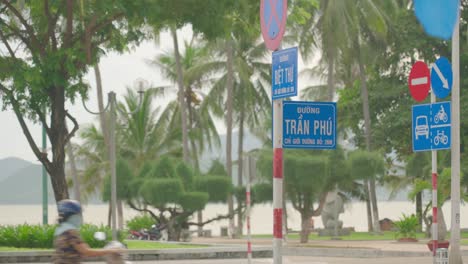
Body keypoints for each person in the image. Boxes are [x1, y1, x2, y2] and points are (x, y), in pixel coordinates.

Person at [53, 199, 122, 264]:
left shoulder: (60, 230)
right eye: (78, 214)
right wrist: (110, 250)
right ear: (70, 215)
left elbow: (78, 249)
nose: (80, 217)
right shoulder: (70, 232)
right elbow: (87, 252)